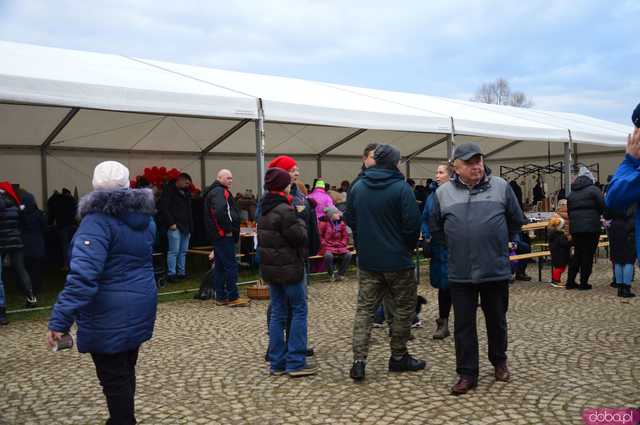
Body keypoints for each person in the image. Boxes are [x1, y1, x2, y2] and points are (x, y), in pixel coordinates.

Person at [47, 161, 157, 425]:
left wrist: (60, 320)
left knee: (114, 378)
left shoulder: (96, 223)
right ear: (128, 184)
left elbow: (83, 276)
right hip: (140, 302)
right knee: (125, 370)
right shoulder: (145, 219)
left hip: (109, 311)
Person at [430, 142, 525, 395]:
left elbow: (517, 220)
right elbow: (437, 230)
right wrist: (458, 246)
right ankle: (467, 373)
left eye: (479, 161)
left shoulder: (501, 187)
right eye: (470, 163)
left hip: (494, 269)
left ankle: (499, 361)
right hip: (460, 272)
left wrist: (497, 243)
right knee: (463, 326)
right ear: (456, 168)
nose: (476, 166)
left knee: (497, 320)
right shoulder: (442, 194)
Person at [346, 144, 424, 382]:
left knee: (365, 311)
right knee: (402, 310)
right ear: (392, 162)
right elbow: (412, 225)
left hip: (369, 261)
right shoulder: (401, 188)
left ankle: (359, 361)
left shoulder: (358, 187)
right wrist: (405, 249)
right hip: (398, 261)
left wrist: (363, 246)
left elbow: (351, 220)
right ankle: (398, 357)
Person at [258, 167, 316, 377]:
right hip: (290, 268)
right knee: (299, 310)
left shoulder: (264, 208)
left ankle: (277, 362)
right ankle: (295, 362)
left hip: (272, 270)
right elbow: (300, 237)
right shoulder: (285, 209)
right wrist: (301, 219)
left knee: (278, 314)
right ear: (283, 186)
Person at [605, 103, 640, 294]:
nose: (635, 135)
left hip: (618, 228)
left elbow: (614, 198)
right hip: (627, 227)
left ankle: (621, 285)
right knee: (625, 259)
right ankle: (624, 286)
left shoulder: (628, 178)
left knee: (620, 258)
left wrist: (630, 160)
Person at [203, 169, 249, 307]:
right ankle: (233, 296)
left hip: (218, 235)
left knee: (221, 267)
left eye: (231, 178)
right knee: (230, 266)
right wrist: (229, 229)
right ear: (219, 178)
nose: (230, 180)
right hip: (224, 235)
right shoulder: (219, 191)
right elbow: (221, 211)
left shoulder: (213, 192)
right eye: (228, 178)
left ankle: (221, 296)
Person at [422, 163, 452, 340]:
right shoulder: (432, 196)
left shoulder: (456, 193)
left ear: (450, 175)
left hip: (456, 246)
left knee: (459, 286)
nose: (437, 175)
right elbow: (424, 218)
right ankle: (443, 321)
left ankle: (464, 322)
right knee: (443, 286)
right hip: (439, 247)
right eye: (437, 172)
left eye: (441, 172)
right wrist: (426, 235)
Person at [566, 166, 604, 290]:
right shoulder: (594, 190)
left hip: (576, 228)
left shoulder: (571, 194)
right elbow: (602, 206)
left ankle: (570, 281)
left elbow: (569, 211)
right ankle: (583, 282)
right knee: (587, 255)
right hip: (591, 228)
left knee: (577, 254)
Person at [0, 182, 37, 307]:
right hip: (16, 241)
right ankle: (31, 297)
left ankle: (2, 304)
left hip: (2, 242)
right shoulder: (15, 206)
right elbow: (24, 223)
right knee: (21, 269)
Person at [159, 173, 194, 282]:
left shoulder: (186, 193)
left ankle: (181, 272)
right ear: (180, 180)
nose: (188, 185)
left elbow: (189, 211)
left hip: (186, 226)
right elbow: (164, 208)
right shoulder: (169, 191)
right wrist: (171, 223)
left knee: (183, 251)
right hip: (175, 226)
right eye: (186, 183)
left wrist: (191, 227)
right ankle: (172, 274)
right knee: (174, 251)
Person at [606, 206, 636, 298]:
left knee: (618, 259)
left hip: (615, 227)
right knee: (629, 260)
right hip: (631, 226)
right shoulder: (634, 195)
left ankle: (620, 288)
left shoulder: (614, 195)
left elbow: (606, 214)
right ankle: (626, 289)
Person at [20, 192, 46, 295]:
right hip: (37, 243)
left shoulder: (21, 214)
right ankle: (36, 288)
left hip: (24, 243)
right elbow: (44, 227)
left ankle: (26, 288)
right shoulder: (39, 213)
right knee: (36, 268)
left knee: (26, 268)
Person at [319, 206, 352, 281]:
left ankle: (340, 274)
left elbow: (345, 236)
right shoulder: (323, 224)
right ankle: (331, 275)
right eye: (336, 213)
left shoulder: (341, 223)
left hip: (339, 246)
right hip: (327, 246)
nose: (339, 215)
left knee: (348, 254)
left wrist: (342, 243)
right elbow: (320, 237)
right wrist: (327, 244)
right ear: (331, 215)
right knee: (328, 256)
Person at [49, 188, 77, 270]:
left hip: (62, 225)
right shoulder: (72, 200)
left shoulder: (58, 201)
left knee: (65, 246)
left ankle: (66, 265)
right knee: (73, 245)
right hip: (72, 225)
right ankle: (74, 264)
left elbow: (52, 210)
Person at [548, 217, 571, 288]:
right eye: (563, 225)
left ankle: (556, 279)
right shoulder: (559, 235)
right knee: (560, 268)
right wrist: (570, 241)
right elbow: (564, 244)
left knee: (560, 267)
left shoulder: (554, 234)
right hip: (560, 254)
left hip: (557, 253)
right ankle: (555, 281)